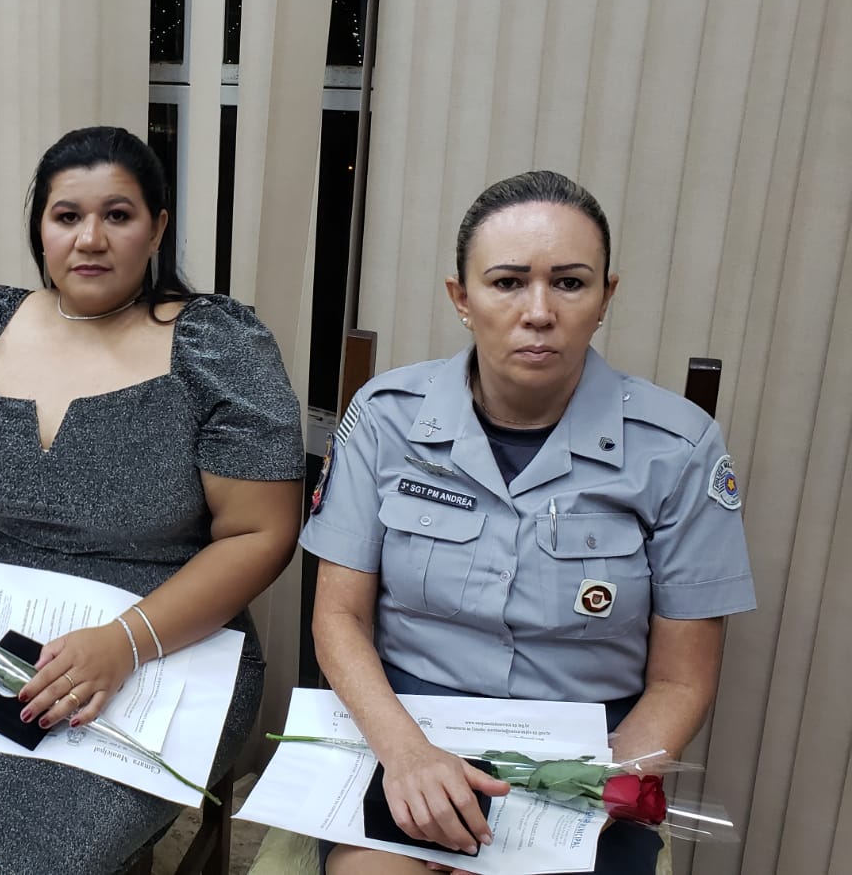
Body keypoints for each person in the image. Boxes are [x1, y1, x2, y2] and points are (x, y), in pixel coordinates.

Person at [0, 126, 305, 874]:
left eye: (118, 215)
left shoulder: (217, 347)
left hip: (165, 637)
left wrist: (123, 643)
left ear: (156, 227)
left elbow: (261, 533)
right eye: (67, 216)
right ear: (41, 229)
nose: (90, 239)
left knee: (57, 855)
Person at [302, 170, 757, 875]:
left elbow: (681, 681)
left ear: (606, 297)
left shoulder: (679, 448)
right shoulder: (386, 419)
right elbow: (339, 618)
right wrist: (408, 755)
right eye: (508, 282)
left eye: (569, 283)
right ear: (462, 298)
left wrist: (582, 793)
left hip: (586, 760)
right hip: (407, 731)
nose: (538, 311)